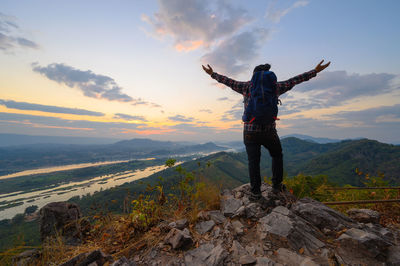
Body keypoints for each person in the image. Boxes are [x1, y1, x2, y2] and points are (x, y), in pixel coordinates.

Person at [202, 60, 330, 200]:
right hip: (269, 131)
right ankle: (276, 186)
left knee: (253, 161)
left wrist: (212, 74)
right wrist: (315, 71)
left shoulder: (246, 87)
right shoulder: (275, 87)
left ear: (254, 76)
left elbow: (228, 81)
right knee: (277, 155)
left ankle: (256, 192)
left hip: (250, 132)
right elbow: (295, 80)